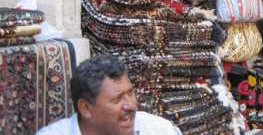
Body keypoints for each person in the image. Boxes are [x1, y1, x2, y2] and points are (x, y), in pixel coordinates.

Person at [36, 55, 182, 135]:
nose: (130, 105)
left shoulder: (158, 129)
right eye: (117, 99)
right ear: (86, 108)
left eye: (130, 93)